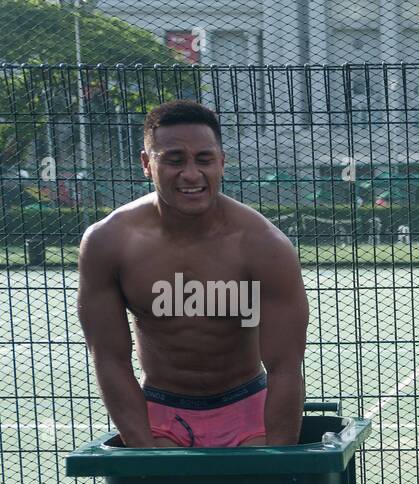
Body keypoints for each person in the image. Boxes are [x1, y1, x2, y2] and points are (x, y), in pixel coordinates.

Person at [77, 100, 307, 447]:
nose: (190, 174)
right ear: (146, 164)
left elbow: (285, 367)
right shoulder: (108, 242)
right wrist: (144, 454)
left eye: (204, 159)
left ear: (222, 163)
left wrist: (281, 464)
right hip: (161, 414)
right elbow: (109, 357)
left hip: (248, 413)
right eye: (173, 160)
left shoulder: (264, 245)